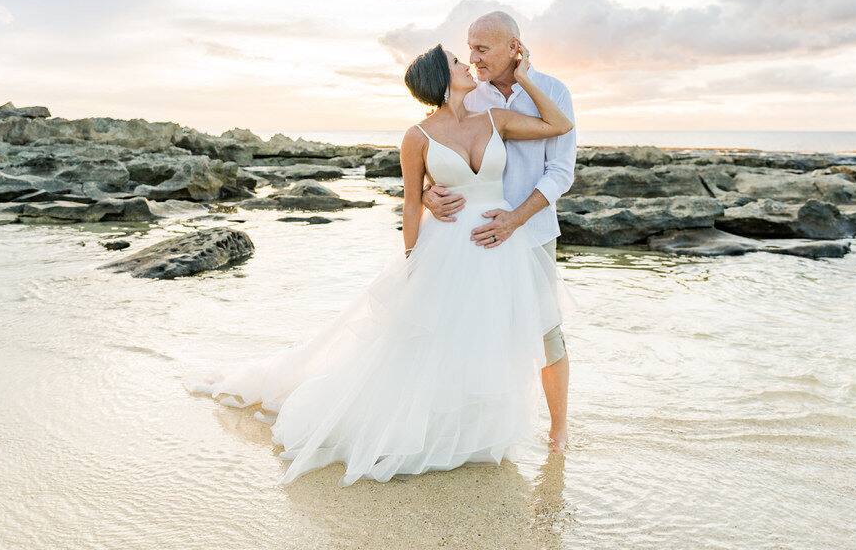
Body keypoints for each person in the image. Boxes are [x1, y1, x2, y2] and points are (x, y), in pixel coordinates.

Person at [183, 43, 577, 487]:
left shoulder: (495, 117)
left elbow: (558, 125)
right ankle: (419, 426)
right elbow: (411, 205)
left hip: (500, 242)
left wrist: (524, 76)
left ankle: (477, 432)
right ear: (439, 80)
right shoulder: (416, 137)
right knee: (429, 339)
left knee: (485, 339)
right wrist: (412, 264)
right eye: (455, 62)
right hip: (445, 246)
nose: (467, 63)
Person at [423, 11, 576, 452]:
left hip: (533, 230)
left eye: (482, 48)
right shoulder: (469, 96)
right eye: (468, 48)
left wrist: (516, 218)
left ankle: (559, 429)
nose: (472, 58)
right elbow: (437, 150)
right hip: (475, 234)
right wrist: (428, 194)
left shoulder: (554, 92)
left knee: (547, 331)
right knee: (473, 326)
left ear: (514, 48)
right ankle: (472, 428)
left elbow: (561, 171)